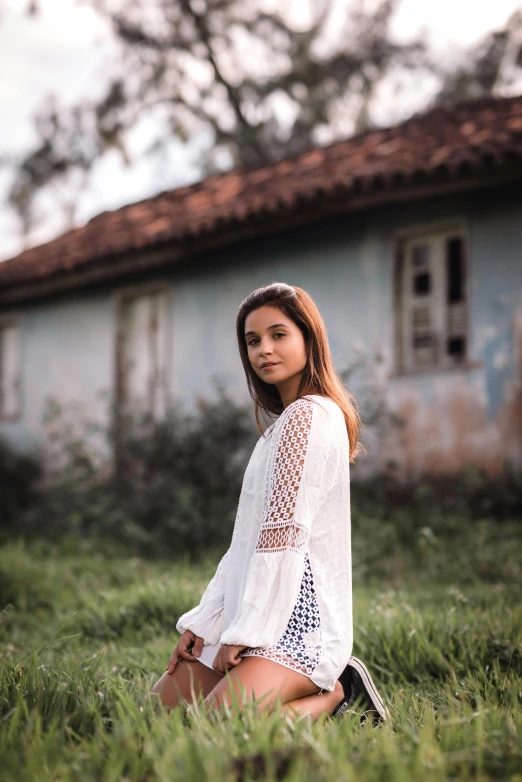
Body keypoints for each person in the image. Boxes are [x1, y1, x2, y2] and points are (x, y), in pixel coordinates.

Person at [151, 282, 388, 723]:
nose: (264, 350)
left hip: (298, 627)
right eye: (253, 340)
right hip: (255, 608)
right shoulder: (277, 431)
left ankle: (335, 693)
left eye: (279, 335)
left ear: (308, 338)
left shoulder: (309, 416)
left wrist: (246, 632)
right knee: (160, 714)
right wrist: (204, 624)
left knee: (222, 727)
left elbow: (283, 538)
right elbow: (246, 544)